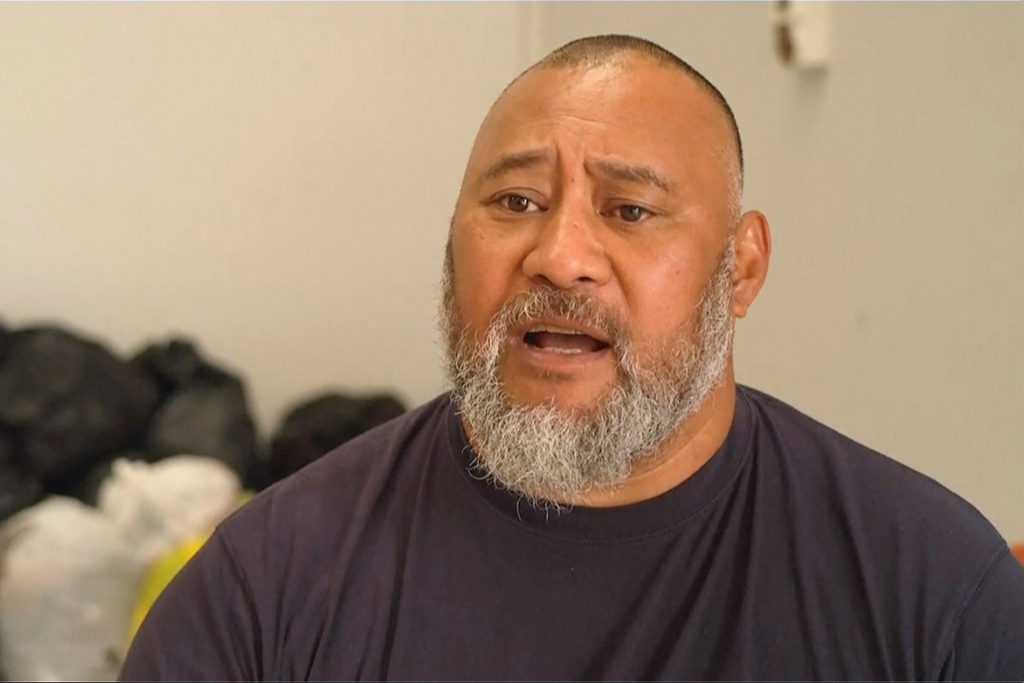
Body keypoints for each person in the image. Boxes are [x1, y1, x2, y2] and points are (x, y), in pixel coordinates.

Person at [120, 35, 1024, 680]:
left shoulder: (931, 589)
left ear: (741, 268)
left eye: (629, 210)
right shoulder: (263, 589)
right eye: (516, 202)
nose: (558, 256)